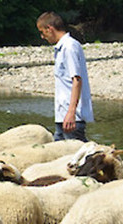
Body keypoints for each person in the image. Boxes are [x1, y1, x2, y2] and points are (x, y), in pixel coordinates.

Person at [37, 12, 93, 142]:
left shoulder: (69, 47)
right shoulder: (61, 48)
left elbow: (77, 80)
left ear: (50, 28)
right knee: (60, 156)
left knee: (76, 156)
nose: (42, 36)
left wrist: (71, 112)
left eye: (42, 32)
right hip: (63, 115)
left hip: (72, 117)